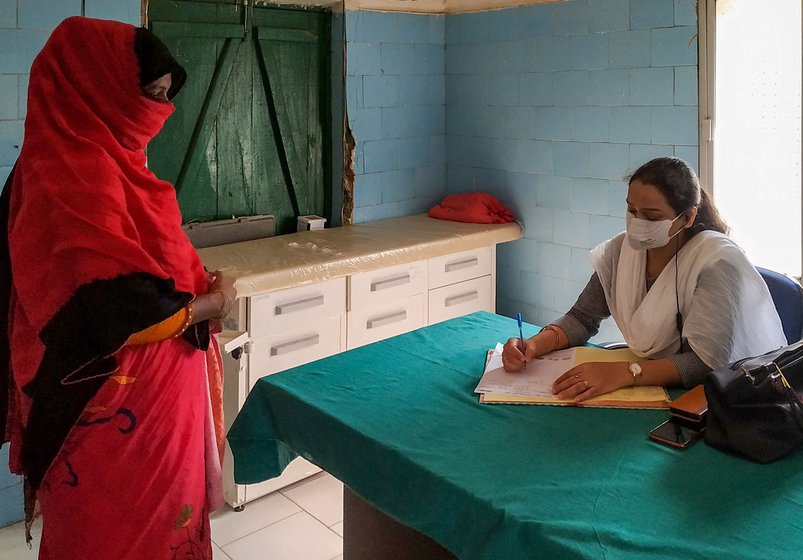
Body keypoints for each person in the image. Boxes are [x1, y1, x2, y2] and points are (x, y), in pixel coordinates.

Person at [0, 17, 237, 559]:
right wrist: (206, 304)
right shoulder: (69, 174)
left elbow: (144, 275)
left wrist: (196, 288)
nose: (158, 114)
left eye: (162, 98)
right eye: (148, 96)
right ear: (94, 86)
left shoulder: (117, 168)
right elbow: (102, 311)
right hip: (108, 423)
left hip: (157, 417)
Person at [502, 157, 786, 402]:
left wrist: (625, 373)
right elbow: (582, 317)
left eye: (652, 216)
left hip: (723, 397)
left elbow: (705, 363)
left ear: (687, 218)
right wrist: (535, 345)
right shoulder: (621, 251)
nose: (637, 223)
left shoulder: (715, 262)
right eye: (632, 211)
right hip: (653, 383)